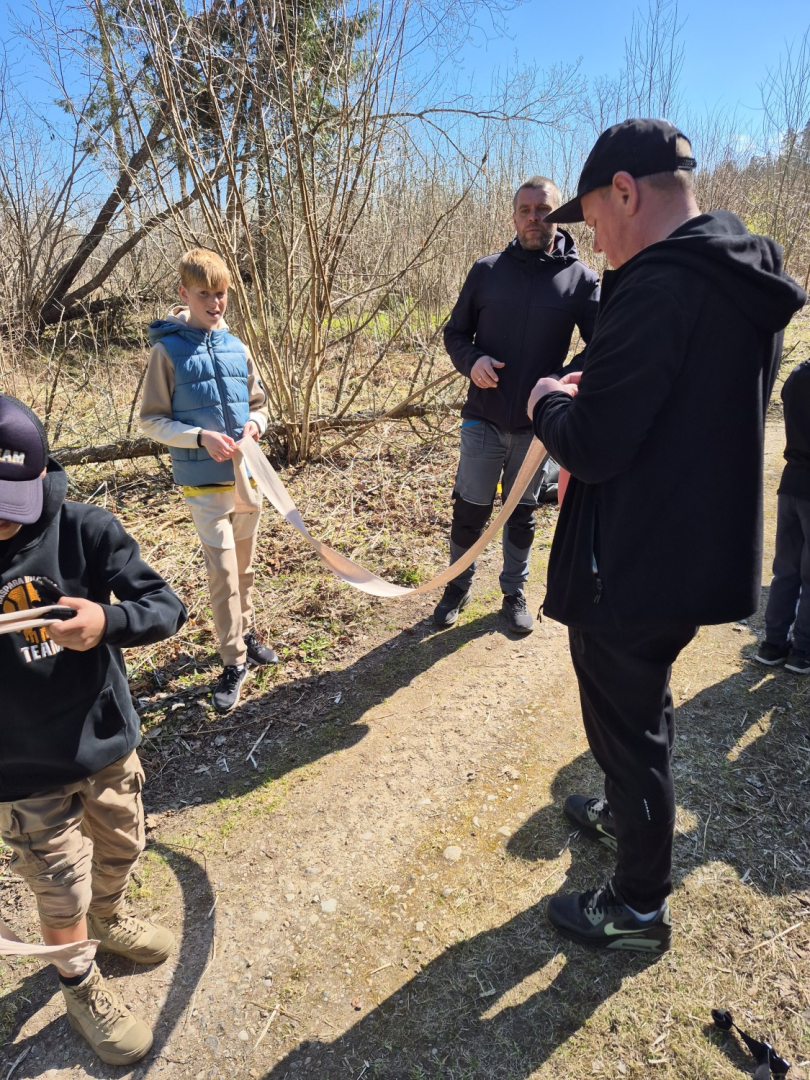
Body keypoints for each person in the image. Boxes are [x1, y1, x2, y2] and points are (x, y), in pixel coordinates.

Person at [527, 119, 806, 952]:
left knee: (628, 727)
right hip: (688, 543)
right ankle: (624, 814)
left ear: (625, 191)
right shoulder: (736, 275)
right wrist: (605, 382)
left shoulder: (656, 285)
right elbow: (683, 398)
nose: (596, 243)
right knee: (639, 708)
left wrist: (548, 401)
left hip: (633, 558)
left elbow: (593, 445)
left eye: (594, 221)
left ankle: (638, 906)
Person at [0, 395, 187, 1065]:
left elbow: (165, 606)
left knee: (124, 846)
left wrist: (108, 622)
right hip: (20, 769)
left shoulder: (85, 529)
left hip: (104, 744)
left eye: (10, 504)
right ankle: (80, 986)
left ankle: (108, 917)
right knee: (61, 890)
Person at [436, 177, 600, 633]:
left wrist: (560, 382)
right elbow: (454, 333)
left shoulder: (581, 280)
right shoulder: (486, 271)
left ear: (557, 215)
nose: (533, 218)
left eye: (542, 210)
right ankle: (457, 586)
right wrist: (472, 361)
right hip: (483, 417)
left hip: (536, 428)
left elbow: (601, 346)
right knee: (469, 510)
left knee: (521, 513)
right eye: (525, 210)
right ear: (513, 217)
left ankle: (513, 593)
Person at [140, 247, 278, 714]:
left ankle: (246, 634)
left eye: (221, 294)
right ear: (184, 293)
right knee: (223, 575)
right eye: (204, 294)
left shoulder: (237, 346)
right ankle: (233, 661)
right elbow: (151, 420)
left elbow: (260, 404)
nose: (215, 303)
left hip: (246, 478)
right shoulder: (167, 350)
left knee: (245, 570)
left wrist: (256, 424)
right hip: (203, 486)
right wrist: (199, 437)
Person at [756, 359, 810, 674]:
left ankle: (773, 643)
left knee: (786, 570)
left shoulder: (798, 374)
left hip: (791, 482)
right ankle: (802, 651)